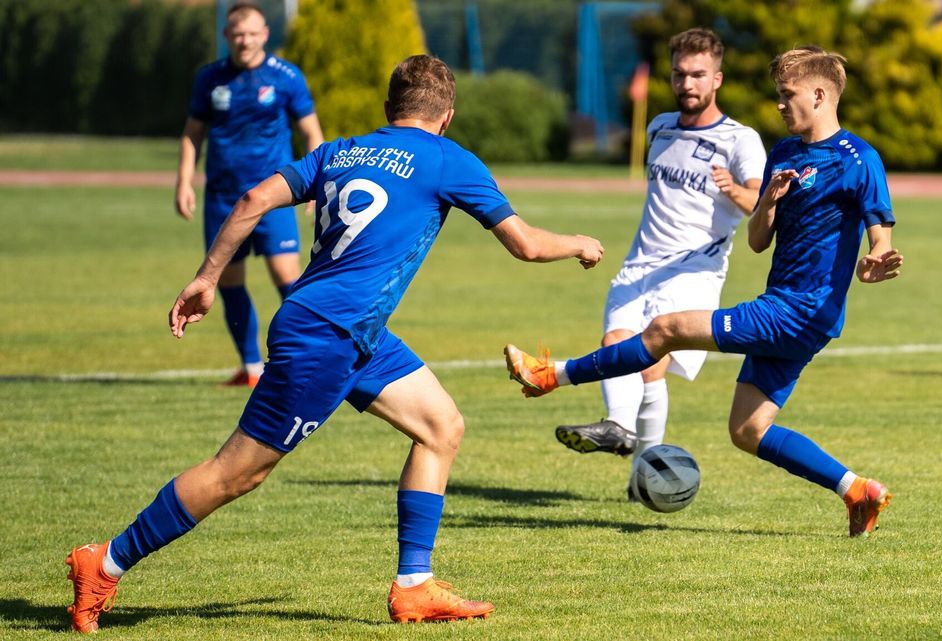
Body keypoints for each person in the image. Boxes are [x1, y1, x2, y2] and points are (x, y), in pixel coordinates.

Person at [66, 54, 605, 633]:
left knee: (441, 426)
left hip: (349, 329)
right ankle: (107, 561)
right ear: (447, 115)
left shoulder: (339, 152)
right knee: (236, 473)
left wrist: (205, 279)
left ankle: (414, 587)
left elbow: (250, 201)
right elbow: (523, 244)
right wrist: (578, 241)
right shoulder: (450, 160)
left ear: (387, 110)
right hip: (326, 338)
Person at [506, 45, 903, 537]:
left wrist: (874, 260)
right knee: (747, 431)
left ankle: (552, 376)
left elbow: (879, 234)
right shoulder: (784, 154)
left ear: (819, 94)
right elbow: (758, 242)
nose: (779, 105)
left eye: (787, 95)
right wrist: (768, 205)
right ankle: (856, 490)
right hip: (788, 308)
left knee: (666, 329)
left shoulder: (858, 159)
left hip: (798, 310)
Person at [552, 29, 766, 496]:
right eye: (679, 73)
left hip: (694, 272)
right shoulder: (659, 128)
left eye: (698, 75)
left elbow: (764, 204)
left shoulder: (740, 140)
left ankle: (628, 446)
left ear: (718, 79)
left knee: (650, 362)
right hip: (638, 266)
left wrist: (737, 191)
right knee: (616, 344)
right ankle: (629, 450)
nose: (687, 83)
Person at [174, 1, 324, 388]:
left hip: (274, 195)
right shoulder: (210, 79)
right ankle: (252, 369)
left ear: (265, 35)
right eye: (238, 34)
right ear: (227, 36)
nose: (245, 41)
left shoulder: (286, 76)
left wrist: (315, 185)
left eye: (253, 33)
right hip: (223, 198)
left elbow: (311, 132)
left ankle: (309, 355)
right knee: (227, 282)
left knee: (286, 275)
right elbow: (193, 133)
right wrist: (184, 181)